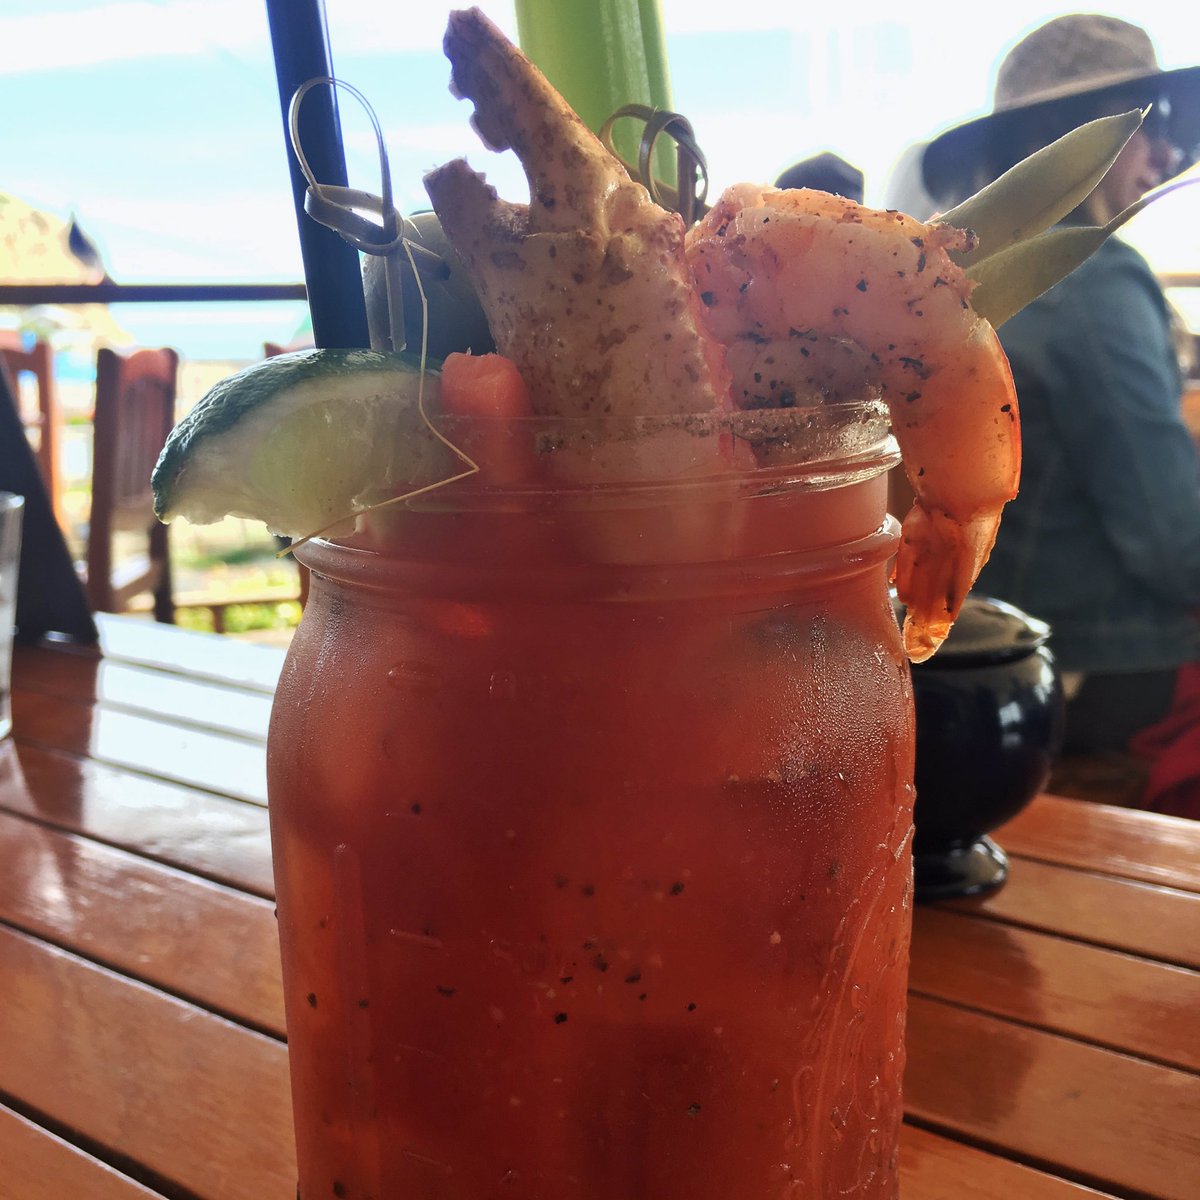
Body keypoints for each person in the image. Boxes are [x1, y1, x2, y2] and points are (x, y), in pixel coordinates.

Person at [919, 15, 1200, 800]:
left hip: (980, 639)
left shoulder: (957, 278)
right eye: (1148, 126)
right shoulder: (1096, 281)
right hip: (1091, 658)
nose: (1165, 153)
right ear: (1077, 141)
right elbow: (1172, 541)